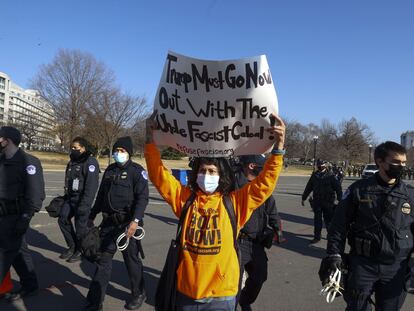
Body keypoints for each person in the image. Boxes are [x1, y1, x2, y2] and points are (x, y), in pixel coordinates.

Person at [145, 111, 285, 311]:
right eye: (202, 171)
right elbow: (158, 175)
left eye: (212, 171)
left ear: (221, 176)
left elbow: (265, 184)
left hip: (222, 295)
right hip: (187, 292)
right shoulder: (185, 199)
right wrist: (150, 140)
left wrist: (278, 150)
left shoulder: (235, 203)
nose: (206, 175)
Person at [323, 141, 414, 311]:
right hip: (363, 264)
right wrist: (334, 254)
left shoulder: (410, 195)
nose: (401, 166)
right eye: (396, 162)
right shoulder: (359, 190)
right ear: (380, 161)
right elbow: (338, 225)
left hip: (396, 267)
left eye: (404, 163)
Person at [85, 136, 149, 311]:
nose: (118, 154)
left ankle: (138, 293)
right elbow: (100, 196)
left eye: (122, 151)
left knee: (131, 260)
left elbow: (142, 198)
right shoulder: (110, 171)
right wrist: (91, 215)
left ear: (129, 153)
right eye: (117, 151)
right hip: (108, 223)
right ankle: (95, 301)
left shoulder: (137, 171)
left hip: (128, 224)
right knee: (102, 260)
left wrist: (135, 221)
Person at [0, 126, 45, 300]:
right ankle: (30, 285)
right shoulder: (2, 160)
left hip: (15, 218)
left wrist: (25, 219)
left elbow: (35, 194)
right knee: (19, 252)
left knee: (4, 254)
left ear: (7, 140)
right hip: (2, 216)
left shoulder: (29, 162)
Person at [234, 154, 283, 311]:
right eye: (262, 166)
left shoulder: (261, 185)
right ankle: (231, 305)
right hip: (237, 242)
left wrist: (277, 229)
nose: (264, 170)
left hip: (256, 242)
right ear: (251, 166)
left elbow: (272, 208)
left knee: (260, 276)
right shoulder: (233, 183)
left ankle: (245, 299)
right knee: (232, 281)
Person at [58, 137, 100, 263]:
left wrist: (85, 204)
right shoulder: (73, 161)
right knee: (62, 218)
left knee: (80, 227)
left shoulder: (90, 162)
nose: (73, 150)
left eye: (76, 148)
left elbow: (91, 186)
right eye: (72, 147)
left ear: (83, 148)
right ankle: (73, 246)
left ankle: (80, 250)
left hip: (82, 200)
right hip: (71, 198)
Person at [301, 159, 342, 244]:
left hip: (328, 201)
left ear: (325, 165)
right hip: (317, 201)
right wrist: (303, 198)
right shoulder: (315, 175)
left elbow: (338, 188)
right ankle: (317, 237)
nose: (320, 166)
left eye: (321, 165)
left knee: (328, 220)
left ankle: (330, 236)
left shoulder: (331, 175)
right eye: (318, 165)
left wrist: (340, 199)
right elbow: (309, 187)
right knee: (317, 220)